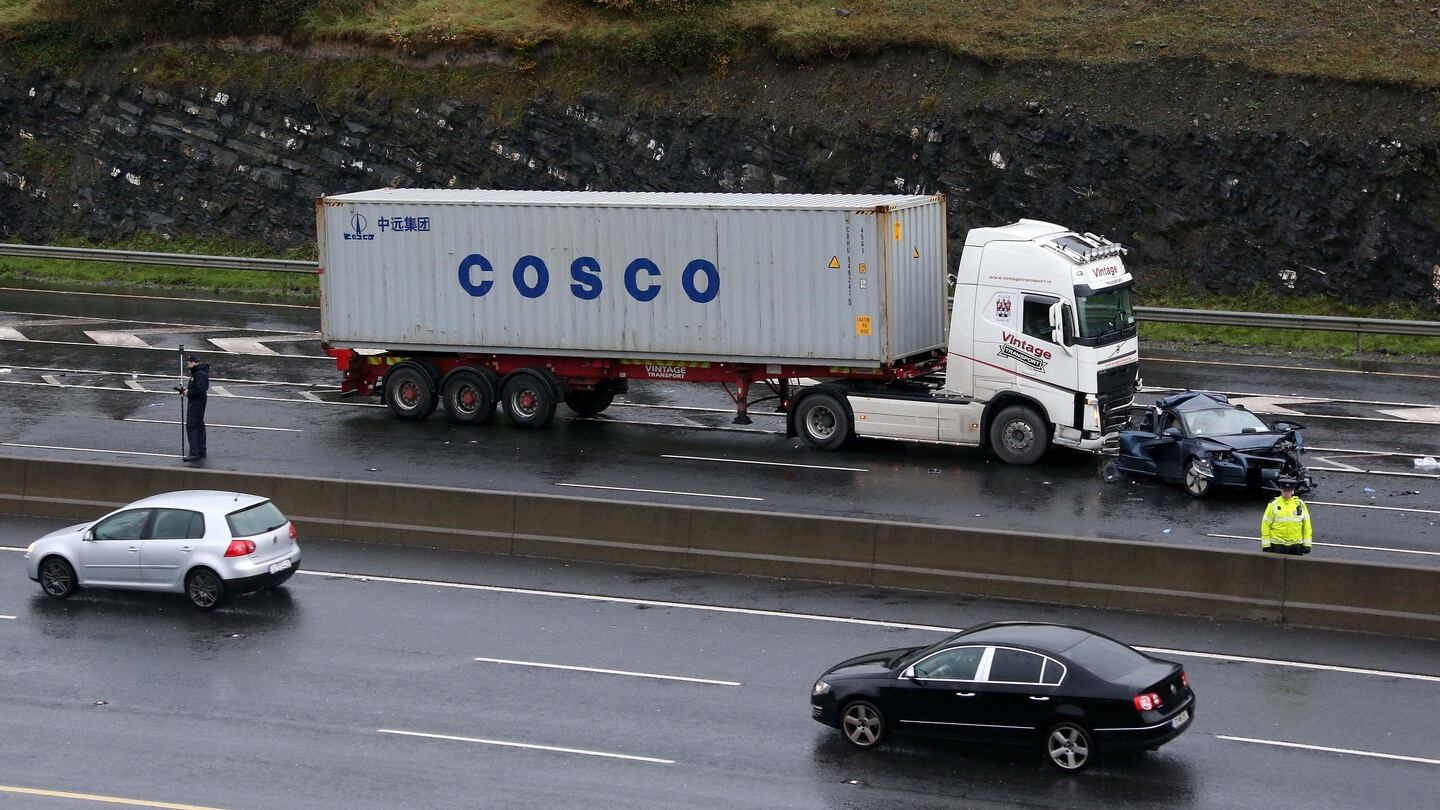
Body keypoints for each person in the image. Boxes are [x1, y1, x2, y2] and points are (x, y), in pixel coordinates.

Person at [1260, 476, 1311, 555]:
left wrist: (1307, 544)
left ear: (1293, 491)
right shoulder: (1273, 504)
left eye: (1289, 491)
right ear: (1281, 490)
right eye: (1285, 491)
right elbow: (1265, 525)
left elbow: (1307, 526)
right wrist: (1266, 545)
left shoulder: (1300, 504)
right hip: (1277, 545)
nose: (1287, 493)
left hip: (1296, 545)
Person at [181, 354, 210, 461]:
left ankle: (194, 453)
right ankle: (201, 451)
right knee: (199, 425)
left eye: (188, 362)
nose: (187, 364)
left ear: (193, 362)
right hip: (198, 402)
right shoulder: (198, 373)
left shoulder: (199, 374)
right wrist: (187, 391)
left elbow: (200, 389)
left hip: (197, 403)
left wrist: (188, 392)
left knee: (192, 426)